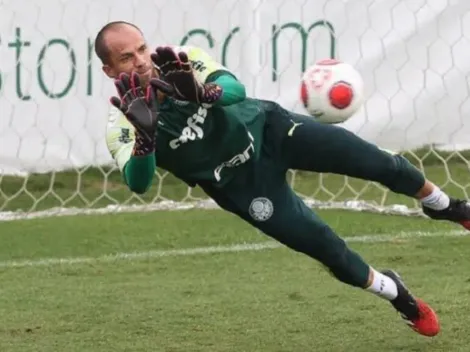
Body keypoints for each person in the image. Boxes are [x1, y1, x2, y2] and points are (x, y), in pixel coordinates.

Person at [94, 20, 470, 337]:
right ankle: (397, 294)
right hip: (242, 185)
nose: (141, 61)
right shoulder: (121, 121)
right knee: (327, 248)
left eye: (141, 48)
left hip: (271, 129)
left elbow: (235, 89)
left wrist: (205, 92)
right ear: (110, 71)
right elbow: (138, 182)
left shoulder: (179, 61)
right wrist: (145, 140)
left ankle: (445, 206)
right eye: (127, 57)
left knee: (378, 163)